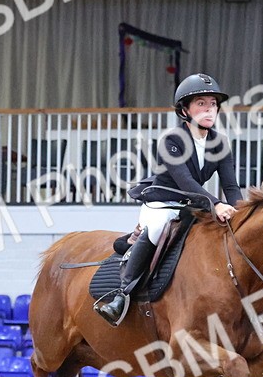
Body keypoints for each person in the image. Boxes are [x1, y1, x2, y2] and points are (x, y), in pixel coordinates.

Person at [96, 73, 244, 326]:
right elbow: (186, 183)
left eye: (213, 104)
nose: (209, 109)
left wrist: (242, 213)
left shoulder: (220, 142)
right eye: (201, 103)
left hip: (194, 206)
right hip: (164, 203)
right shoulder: (172, 140)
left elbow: (230, 185)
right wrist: (216, 204)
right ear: (184, 110)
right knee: (157, 228)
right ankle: (121, 294)